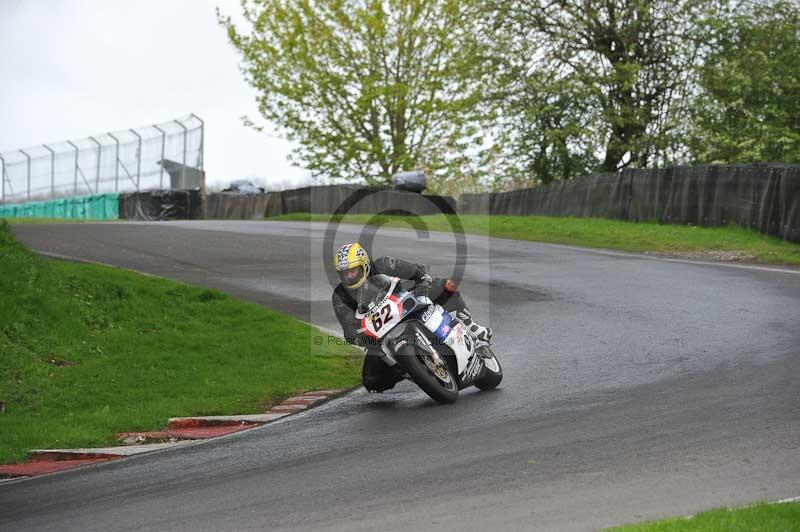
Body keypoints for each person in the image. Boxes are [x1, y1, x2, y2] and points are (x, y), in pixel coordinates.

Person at [331, 242, 492, 392]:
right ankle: (409, 369)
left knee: (446, 286)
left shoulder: (383, 264)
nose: (349, 276)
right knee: (371, 381)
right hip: (381, 331)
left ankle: (471, 327)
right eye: (344, 273)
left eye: (353, 270)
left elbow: (416, 271)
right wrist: (359, 337)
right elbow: (349, 328)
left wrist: (422, 281)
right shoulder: (340, 295)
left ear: (364, 265)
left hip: (408, 301)